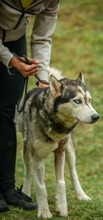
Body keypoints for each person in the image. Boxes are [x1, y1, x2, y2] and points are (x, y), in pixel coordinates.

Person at [0, 0, 59, 212]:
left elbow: (42, 37)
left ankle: (6, 187)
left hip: (15, 41)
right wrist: (12, 61)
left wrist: (43, 79)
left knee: (7, 113)